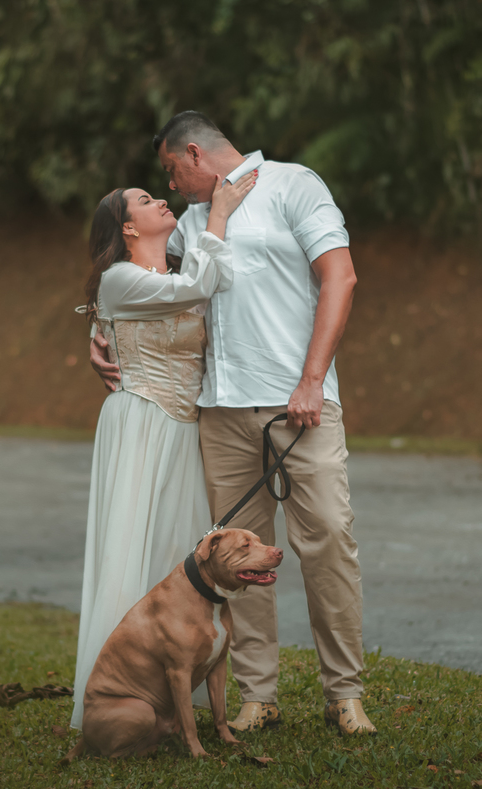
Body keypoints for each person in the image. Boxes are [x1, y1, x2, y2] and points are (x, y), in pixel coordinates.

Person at [91, 111, 375, 736]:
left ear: (195, 154)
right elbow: (131, 277)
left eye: (171, 171)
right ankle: (257, 695)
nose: (169, 188)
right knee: (240, 563)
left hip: (300, 404)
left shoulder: (295, 185)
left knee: (328, 540)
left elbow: (341, 277)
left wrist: (311, 379)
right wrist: (97, 331)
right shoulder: (189, 222)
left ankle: (345, 693)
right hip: (217, 412)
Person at [71, 173, 256, 730]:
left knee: (177, 546)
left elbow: (196, 292)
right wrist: (219, 215)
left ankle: (176, 688)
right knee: (133, 543)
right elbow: (198, 290)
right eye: (147, 201)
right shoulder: (119, 278)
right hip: (141, 422)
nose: (161, 201)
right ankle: (117, 691)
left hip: (184, 426)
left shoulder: (163, 271)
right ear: (128, 228)